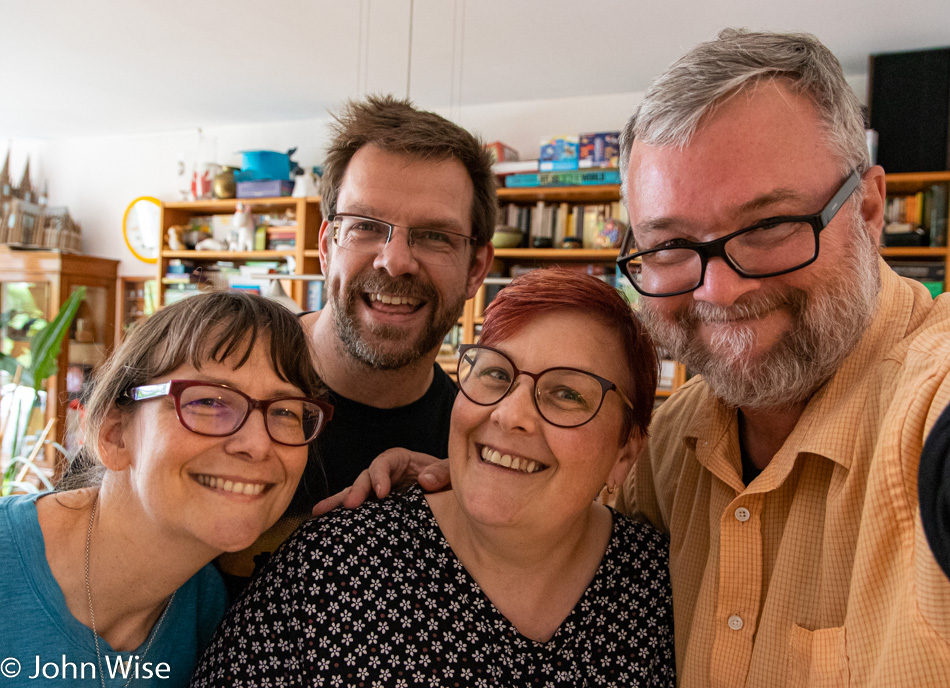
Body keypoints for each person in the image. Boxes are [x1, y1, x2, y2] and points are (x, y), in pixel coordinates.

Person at [329, 30, 950, 686]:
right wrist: (477, 478)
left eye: (769, 226)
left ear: (872, 208)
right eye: (670, 243)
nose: (719, 289)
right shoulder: (672, 445)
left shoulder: (929, 404)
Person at [190, 268, 675, 687]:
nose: (510, 415)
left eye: (567, 393)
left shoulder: (668, 590)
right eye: (496, 374)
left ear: (626, 451)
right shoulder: (331, 566)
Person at [217, 95, 496, 587]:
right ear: (327, 247)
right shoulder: (209, 383)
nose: (395, 261)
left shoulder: (472, 453)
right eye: (366, 226)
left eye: (434, 235)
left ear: (476, 268)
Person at [0, 291, 331, 686]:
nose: (257, 444)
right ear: (114, 435)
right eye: (208, 401)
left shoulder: (209, 613)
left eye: (284, 411)